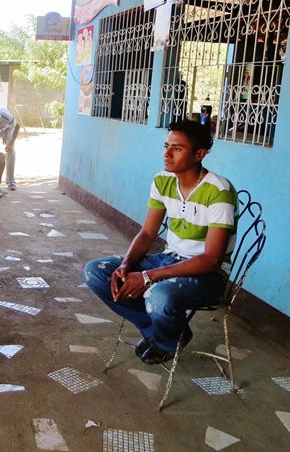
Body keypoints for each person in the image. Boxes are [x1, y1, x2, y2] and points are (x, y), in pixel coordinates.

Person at [83, 119, 238, 365]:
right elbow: (146, 233)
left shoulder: (219, 191)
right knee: (97, 272)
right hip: (169, 258)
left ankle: (167, 342)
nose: (166, 153)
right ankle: (160, 331)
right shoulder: (163, 180)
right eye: (166, 145)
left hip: (207, 274)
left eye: (177, 148)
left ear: (199, 154)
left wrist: (147, 276)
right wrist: (126, 264)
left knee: (158, 295)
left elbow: (211, 260)